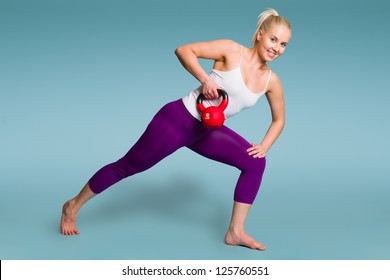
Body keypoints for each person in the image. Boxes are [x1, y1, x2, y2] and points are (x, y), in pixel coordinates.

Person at [60, 8, 292, 250]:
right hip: (178, 120)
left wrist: (264, 146)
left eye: (283, 44)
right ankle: (73, 205)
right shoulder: (232, 50)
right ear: (260, 34)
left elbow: (279, 120)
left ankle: (235, 232)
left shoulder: (271, 81)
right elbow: (184, 50)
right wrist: (205, 79)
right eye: (273, 39)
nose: (276, 48)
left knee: (255, 162)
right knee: (127, 166)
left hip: (207, 131)